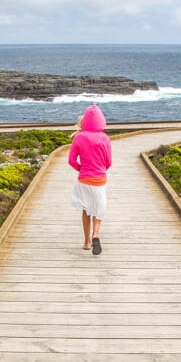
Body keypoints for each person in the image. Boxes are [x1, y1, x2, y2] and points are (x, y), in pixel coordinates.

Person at [68, 104, 112, 255]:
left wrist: (83, 169)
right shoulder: (105, 138)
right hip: (100, 180)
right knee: (99, 210)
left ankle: (87, 242)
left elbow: (71, 160)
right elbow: (108, 162)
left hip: (84, 180)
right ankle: (96, 235)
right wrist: (99, 170)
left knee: (86, 210)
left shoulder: (79, 137)